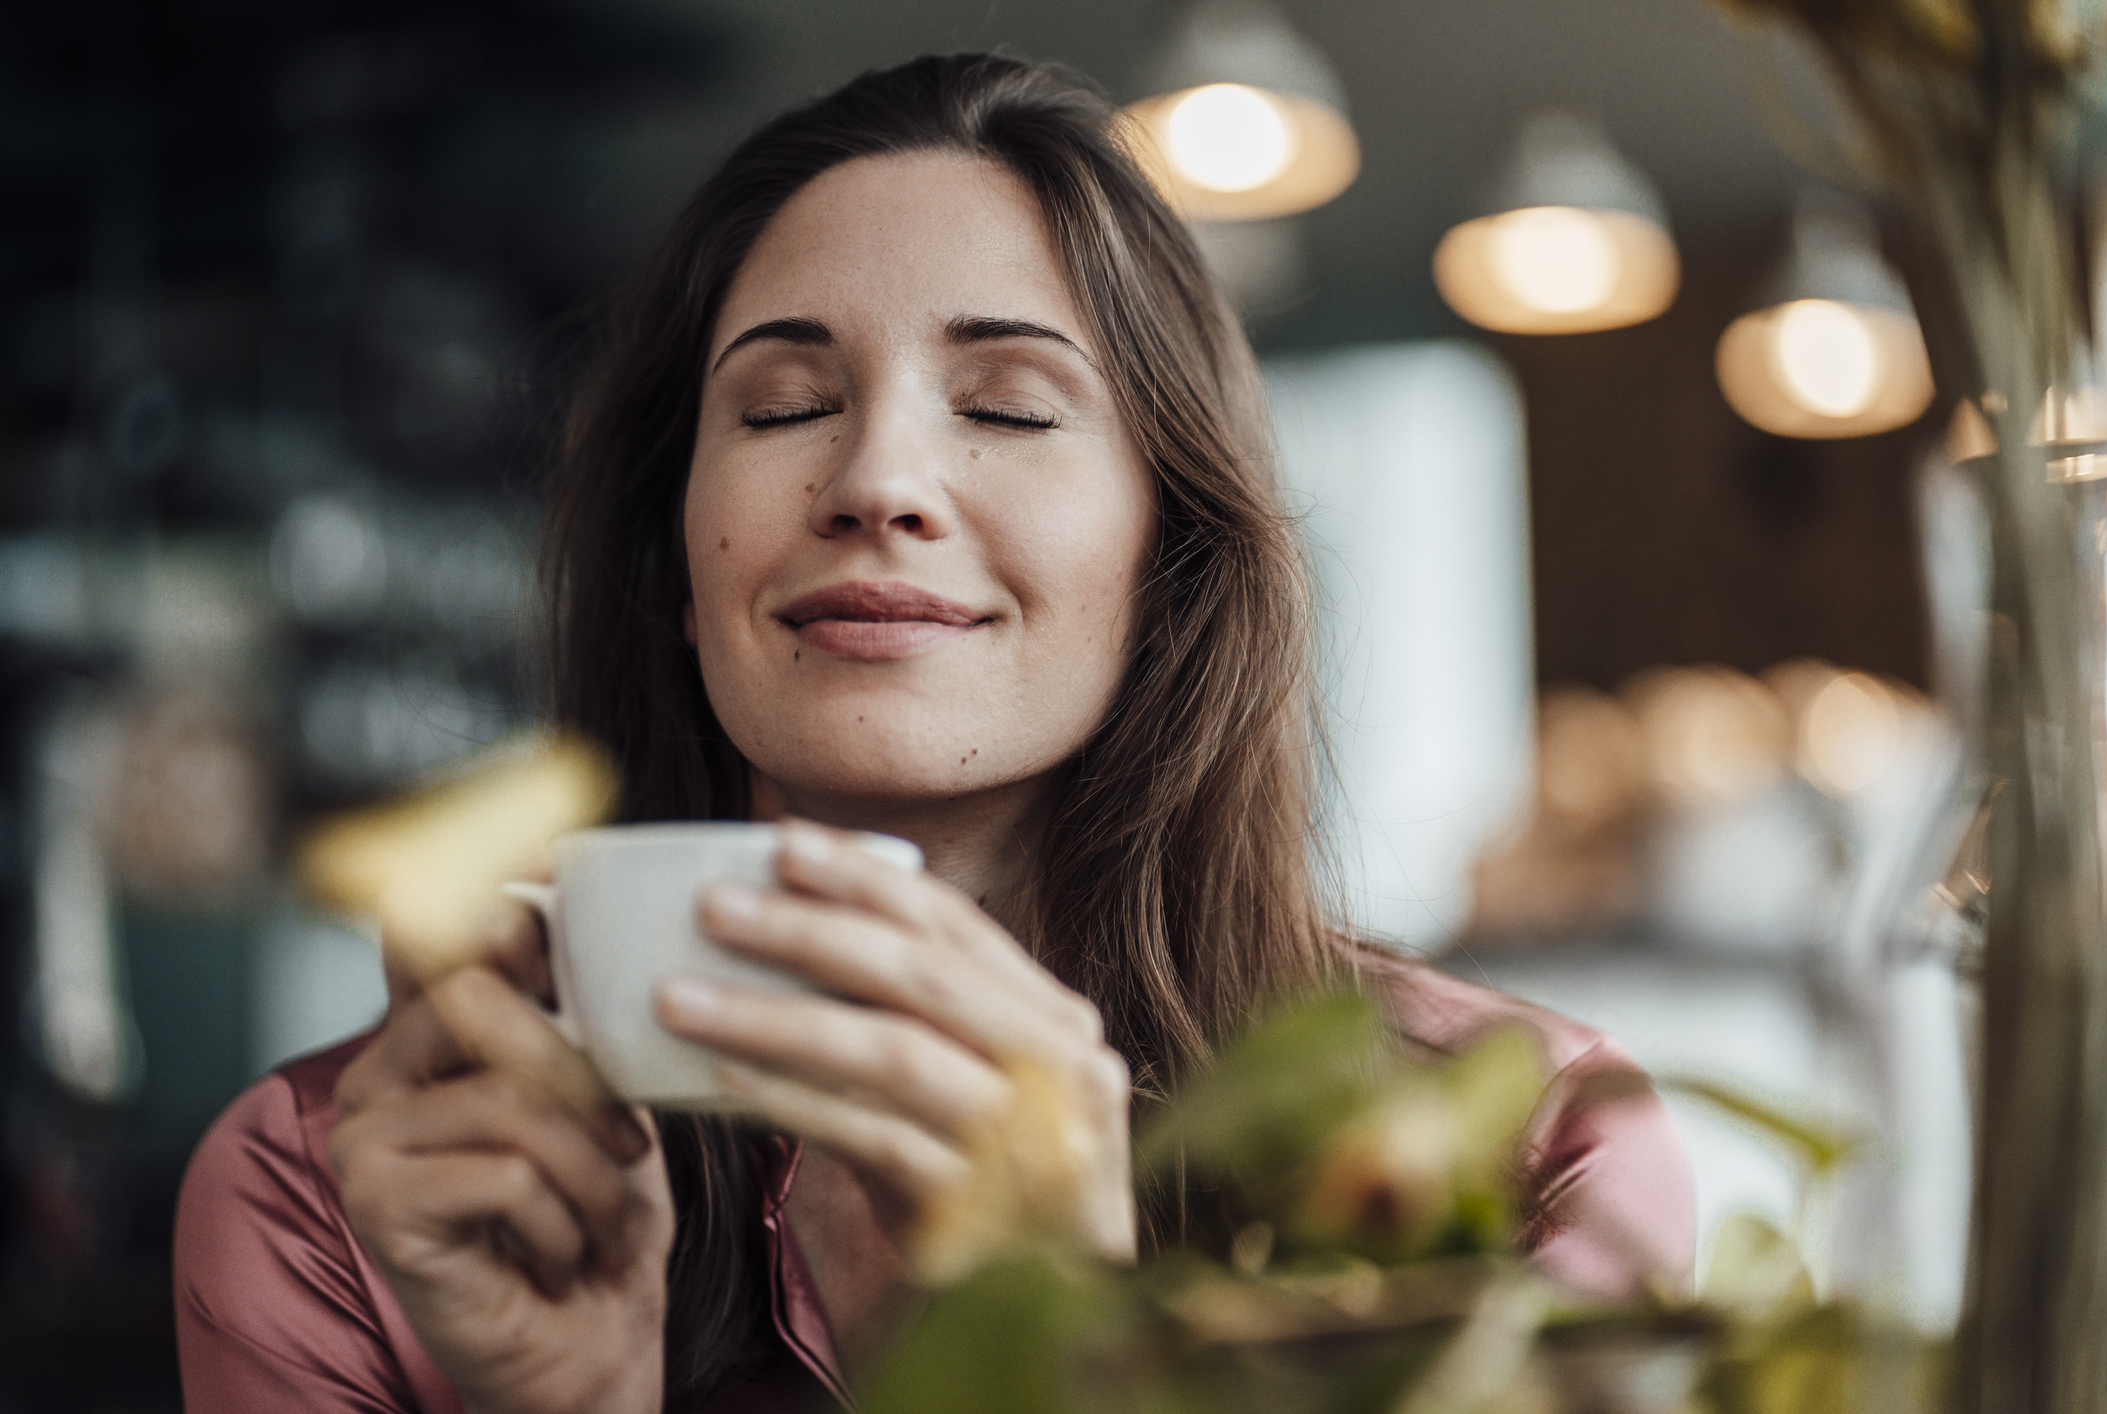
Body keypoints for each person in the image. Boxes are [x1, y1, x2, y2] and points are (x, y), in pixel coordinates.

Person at [172, 53, 1695, 1414]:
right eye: (779, 407)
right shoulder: (336, 1191)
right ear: (678, 571)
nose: (879, 478)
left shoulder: (1528, 1152)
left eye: (1011, 406)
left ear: (1166, 566)